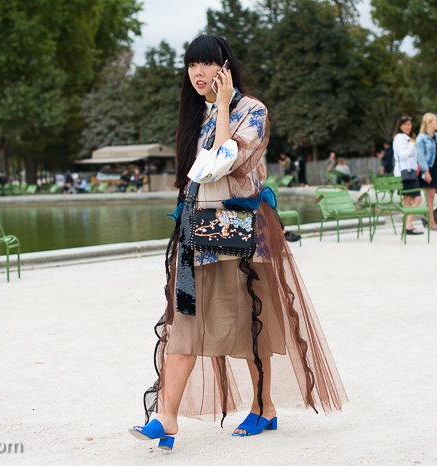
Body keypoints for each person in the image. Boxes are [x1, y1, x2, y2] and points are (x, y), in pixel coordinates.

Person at [129, 34, 346, 449]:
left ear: (225, 67)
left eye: (207, 64)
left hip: (238, 229)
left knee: (251, 319)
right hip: (197, 233)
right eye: (192, 65)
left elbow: (223, 162)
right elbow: (193, 177)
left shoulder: (252, 111)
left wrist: (226, 106)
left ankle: (264, 407)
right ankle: (165, 418)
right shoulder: (200, 114)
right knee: (184, 321)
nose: (198, 73)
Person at [392, 116, 423, 235]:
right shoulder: (400, 138)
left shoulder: (408, 138)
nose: (408, 127)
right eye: (405, 124)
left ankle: (407, 225)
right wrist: (411, 145)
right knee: (416, 198)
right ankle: (408, 225)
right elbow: (402, 155)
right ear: (400, 126)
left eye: (409, 124)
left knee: (409, 200)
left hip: (411, 172)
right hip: (405, 172)